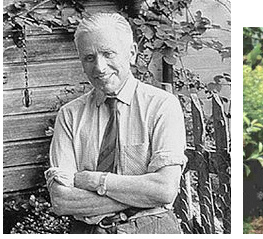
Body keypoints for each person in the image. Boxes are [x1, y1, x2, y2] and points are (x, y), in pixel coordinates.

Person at [45, 13, 188, 234]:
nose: (100, 67)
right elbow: (62, 200)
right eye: (89, 58)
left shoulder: (162, 106)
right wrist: (141, 195)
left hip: (152, 229)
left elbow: (164, 190)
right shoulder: (70, 115)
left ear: (131, 53)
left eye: (108, 54)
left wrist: (95, 180)